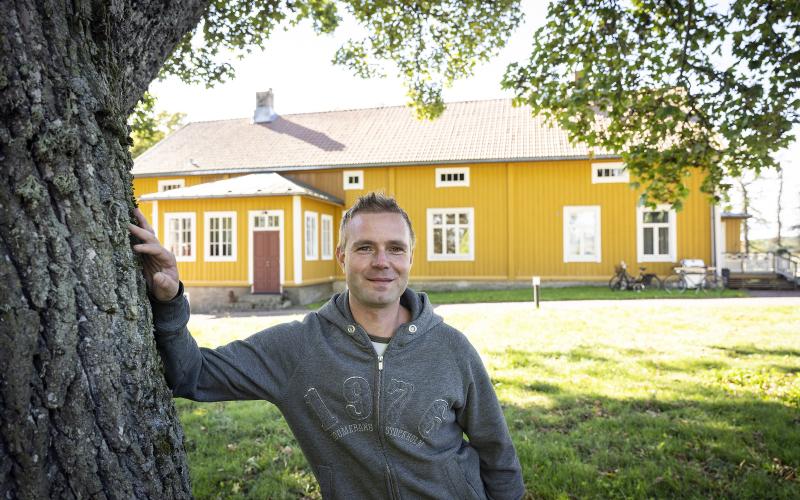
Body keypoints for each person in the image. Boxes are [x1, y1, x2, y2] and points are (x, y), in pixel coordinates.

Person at [128, 192, 525, 499]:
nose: (382, 261)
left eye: (395, 248)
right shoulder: (298, 347)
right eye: (365, 247)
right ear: (342, 256)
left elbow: (497, 453)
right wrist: (169, 300)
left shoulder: (452, 348)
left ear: (410, 258)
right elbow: (191, 375)